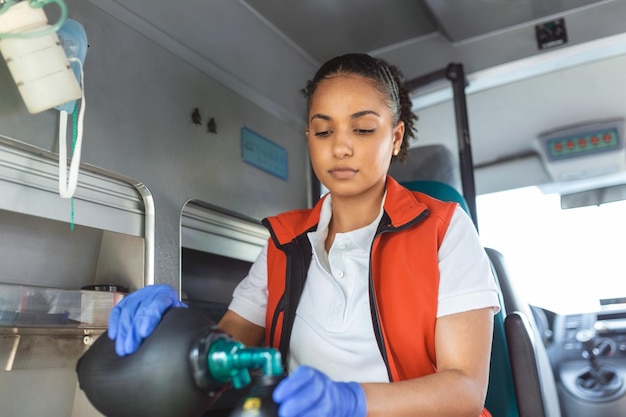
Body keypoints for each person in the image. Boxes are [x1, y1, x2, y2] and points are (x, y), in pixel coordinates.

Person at [108, 53, 501, 417]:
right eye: (323, 131)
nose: (341, 147)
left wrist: (352, 401)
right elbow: (225, 347)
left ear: (395, 138)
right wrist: (173, 330)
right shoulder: (284, 240)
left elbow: (465, 391)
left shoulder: (443, 229)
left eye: (363, 129)